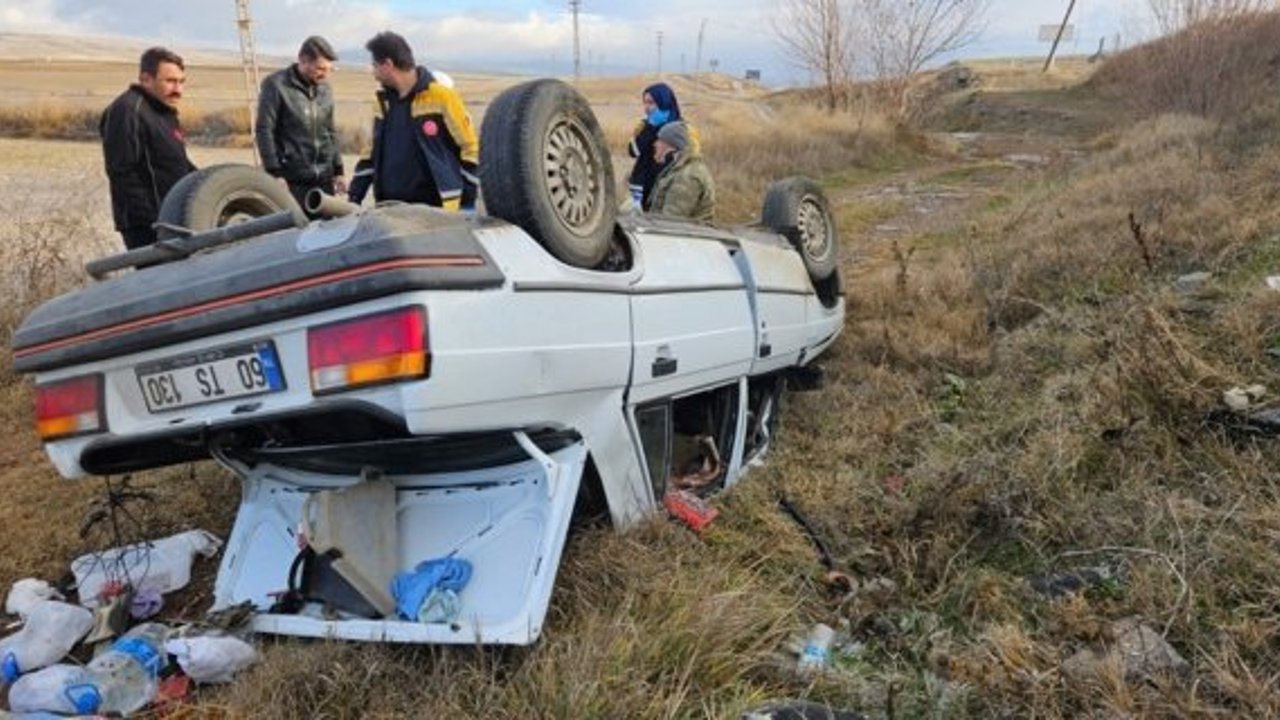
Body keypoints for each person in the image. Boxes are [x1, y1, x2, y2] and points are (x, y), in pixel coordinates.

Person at [347, 31, 479, 211]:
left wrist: (466, 200)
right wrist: (354, 196)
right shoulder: (382, 103)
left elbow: (470, 148)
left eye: (375, 65)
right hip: (390, 209)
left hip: (437, 211)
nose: (373, 73)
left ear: (388, 64)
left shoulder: (442, 97)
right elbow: (370, 153)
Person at [100, 46, 196, 250]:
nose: (178, 89)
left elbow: (178, 163)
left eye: (181, 82)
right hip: (149, 227)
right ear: (146, 79)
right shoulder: (127, 110)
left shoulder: (164, 111)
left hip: (176, 218)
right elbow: (122, 171)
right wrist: (153, 221)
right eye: (170, 81)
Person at [255, 35, 344, 214]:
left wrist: (338, 170)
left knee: (327, 234)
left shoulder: (325, 89)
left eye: (329, 69)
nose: (325, 74)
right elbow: (264, 130)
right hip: (291, 181)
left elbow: (330, 131)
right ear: (303, 61)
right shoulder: (276, 85)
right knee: (296, 234)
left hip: (324, 180)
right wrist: (274, 173)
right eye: (320, 69)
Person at [627, 82, 683, 210]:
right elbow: (633, 151)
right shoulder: (645, 125)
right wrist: (649, 128)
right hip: (641, 189)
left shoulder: (679, 128)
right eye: (645, 102)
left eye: (651, 102)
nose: (646, 107)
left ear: (664, 102)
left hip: (665, 190)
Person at [647, 121, 715, 223]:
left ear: (673, 145)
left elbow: (670, 222)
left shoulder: (688, 176)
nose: (655, 144)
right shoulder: (678, 169)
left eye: (661, 140)